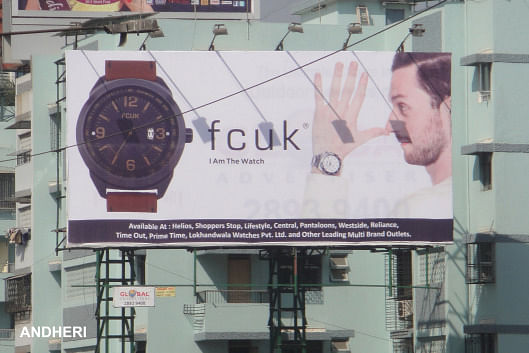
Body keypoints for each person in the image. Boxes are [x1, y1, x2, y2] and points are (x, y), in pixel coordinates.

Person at [305, 52, 452, 219]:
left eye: (402, 106)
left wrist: (325, 162)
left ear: (448, 109)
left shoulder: (421, 209)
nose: (389, 126)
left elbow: (317, 240)